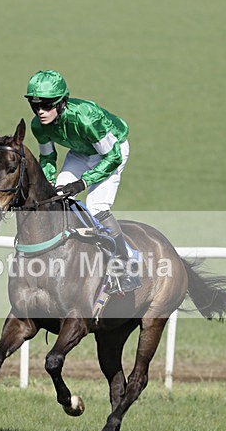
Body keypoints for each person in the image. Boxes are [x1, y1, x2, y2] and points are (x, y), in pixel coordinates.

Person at [24, 69, 140, 293]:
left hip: (111, 152)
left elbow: (112, 157)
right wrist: (49, 186)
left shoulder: (86, 118)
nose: (40, 111)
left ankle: (127, 264)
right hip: (79, 153)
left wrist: (83, 183)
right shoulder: (38, 126)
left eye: (47, 105)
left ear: (61, 102)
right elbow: (48, 157)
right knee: (57, 200)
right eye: (35, 105)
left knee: (97, 208)